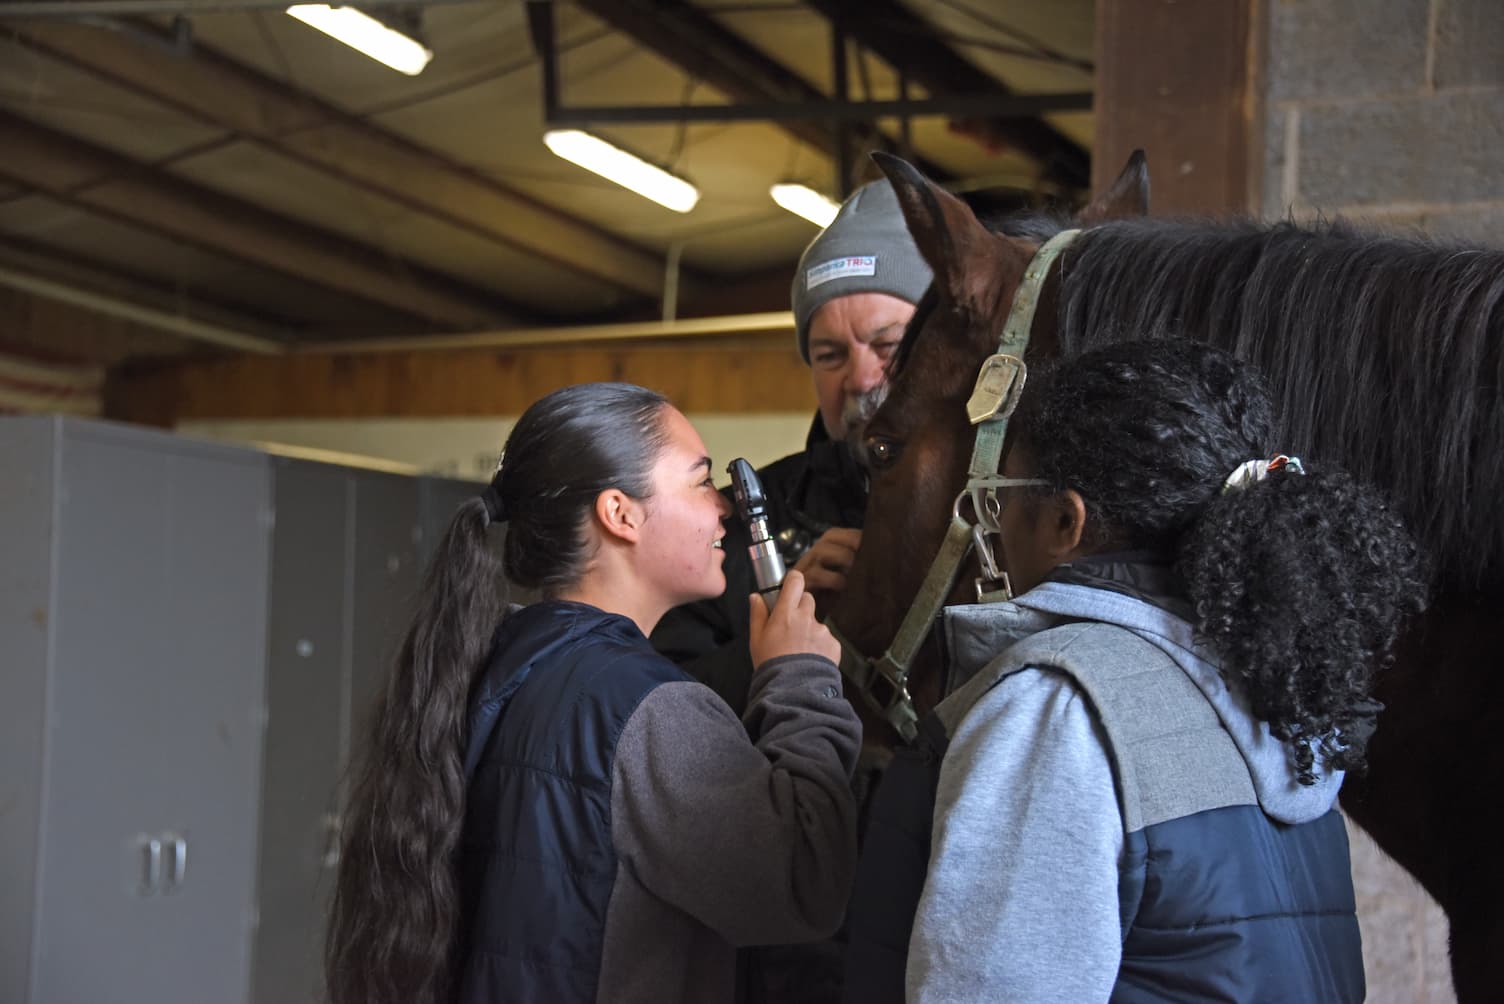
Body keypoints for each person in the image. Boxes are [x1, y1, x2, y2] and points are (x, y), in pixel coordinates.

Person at [844, 340, 1426, 1003]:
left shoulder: (1059, 709)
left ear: (1066, 520)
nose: (996, 522)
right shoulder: (1280, 696)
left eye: (1002, 493)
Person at [324, 382, 862, 1004]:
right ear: (621, 514)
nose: (725, 508)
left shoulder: (499, 661)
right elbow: (804, 884)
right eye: (701, 480)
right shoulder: (648, 710)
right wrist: (800, 677)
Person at [651, 178, 933, 714]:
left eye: (888, 347)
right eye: (829, 355)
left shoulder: (995, 514)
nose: (860, 377)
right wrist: (781, 634)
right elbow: (661, 707)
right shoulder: (736, 524)